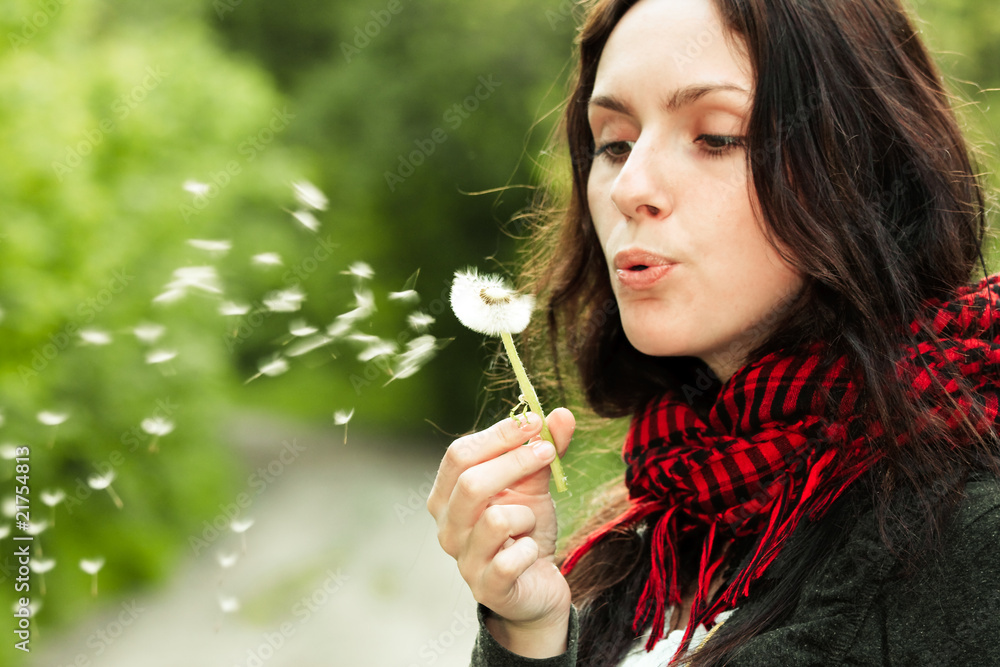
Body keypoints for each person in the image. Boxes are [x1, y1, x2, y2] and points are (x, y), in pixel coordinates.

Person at [426, 0, 1000, 664]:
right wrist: (530, 634)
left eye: (717, 136)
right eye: (613, 143)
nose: (628, 186)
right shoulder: (670, 511)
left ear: (864, 161)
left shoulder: (971, 536)